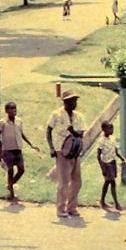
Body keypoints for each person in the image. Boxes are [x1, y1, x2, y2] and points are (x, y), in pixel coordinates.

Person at [46, 90, 86, 218]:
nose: (74, 103)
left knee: (77, 181)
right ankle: (60, 209)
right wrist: (51, 148)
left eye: (75, 101)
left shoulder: (79, 116)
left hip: (74, 152)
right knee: (63, 182)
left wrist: (73, 131)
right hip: (61, 150)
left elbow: (81, 134)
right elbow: (48, 130)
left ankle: (72, 207)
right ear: (65, 102)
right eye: (71, 101)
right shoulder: (56, 114)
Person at [0, 101, 41, 202]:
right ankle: (11, 194)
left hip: (18, 149)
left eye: (15, 108)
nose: (13, 110)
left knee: (21, 170)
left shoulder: (19, 121)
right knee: (10, 171)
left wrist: (31, 144)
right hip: (8, 150)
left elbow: (22, 134)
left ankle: (10, 185)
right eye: (11, 109)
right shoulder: (2, 122)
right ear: (6, 111)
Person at [97, 121, 126, 211]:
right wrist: (102, 167)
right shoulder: (101, 141)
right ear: (104, 129)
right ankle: (117, 203)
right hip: (106, 163)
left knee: (107, 182)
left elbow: (116, 152)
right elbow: (98, 156)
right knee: (112, 182)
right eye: (109, 128)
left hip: (112, 162)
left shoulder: (113, 139)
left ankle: (102, 200)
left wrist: (123, 159)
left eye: (112, 128)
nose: (111, 130)